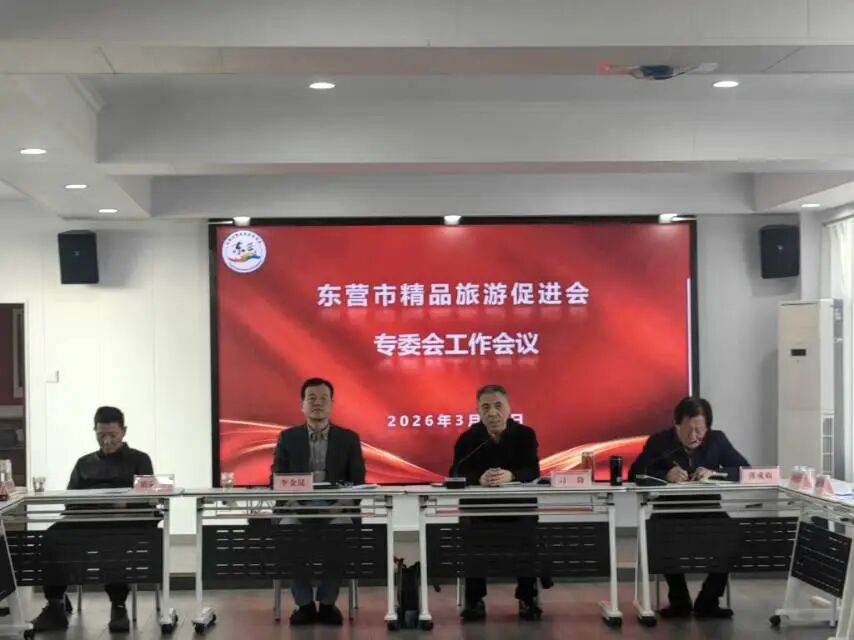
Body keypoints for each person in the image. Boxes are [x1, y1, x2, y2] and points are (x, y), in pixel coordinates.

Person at [31, 406, 154, 634]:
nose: (107, 441)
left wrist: (125, 505)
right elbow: (69, 501)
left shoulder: (139, 460)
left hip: (124, 523)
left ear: (124, 431)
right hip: (86, 522)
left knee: (114, 542)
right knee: (51, 537)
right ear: (94, 432)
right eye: (101, 435)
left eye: (113, 435)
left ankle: (118, 606)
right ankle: (55, 604)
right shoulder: (84, 463)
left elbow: (150, 498)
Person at [628, 396, 749, 620]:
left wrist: (716, 473)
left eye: (699, 430)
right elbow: (634, 473)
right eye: (688, 430)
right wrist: (665, 474)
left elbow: (745, 470)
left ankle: (708, 600)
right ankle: (679, 600)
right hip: (669, 511)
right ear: (677, 425)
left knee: (733, 534)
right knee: (658, 533)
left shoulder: (717, 440)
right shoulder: (660, 441)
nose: (694, 436)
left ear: (707, 427)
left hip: (708, 510)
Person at [271, 377, 366, 626]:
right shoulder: (288, 437)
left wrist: (339, 506)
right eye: (311, 398)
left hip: (337, 508)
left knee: (341, 537)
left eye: (324, 398)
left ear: (332, 404)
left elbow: (358, 481)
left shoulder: (348, 438)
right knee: (287, 536)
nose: (317, 403)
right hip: (296, 508)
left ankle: (327, 603)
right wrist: (294, 505)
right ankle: (303, 604)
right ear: (301, 405)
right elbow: (277, 478)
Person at [450, 384, 541, 623]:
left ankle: (528, 597)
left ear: (509, 408)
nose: (492, 413)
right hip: (480, 509)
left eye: (498, 406)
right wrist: (478, 479)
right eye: (486, 407)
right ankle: (474, 600)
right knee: (470, 531)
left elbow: (533, 470)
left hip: (517, 508)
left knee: (528, 530)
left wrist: (511, 475)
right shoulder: (468, 439)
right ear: (478, 411)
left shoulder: (525, 435)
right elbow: (456, 472)